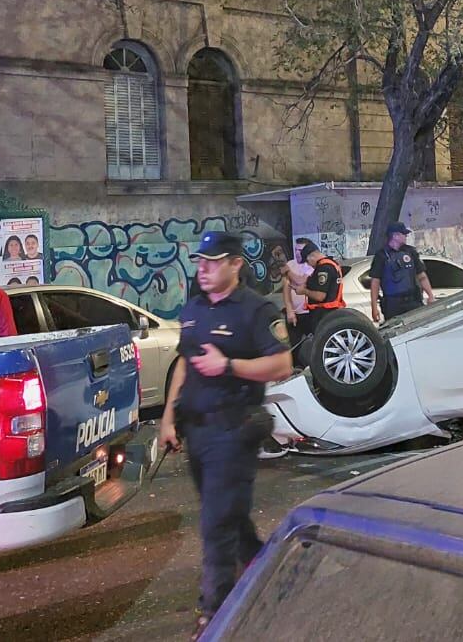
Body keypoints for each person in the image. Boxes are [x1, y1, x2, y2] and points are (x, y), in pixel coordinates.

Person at [157, 231, 293, 640]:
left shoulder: (255, 310)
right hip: (197, 430)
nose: (204, 268)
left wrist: (230, 366)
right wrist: (167, 418)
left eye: (213, 261)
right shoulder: (195, 308)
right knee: (229, 518)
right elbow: (185, 363)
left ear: (235, 264)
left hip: (235, 429)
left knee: (216, 525)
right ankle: (266, 569)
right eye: (200, 261)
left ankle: (214, 616)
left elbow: (283, 364)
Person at [288, 239, 345, 359]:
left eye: (308, 261)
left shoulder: (324, 268)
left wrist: (304, 292)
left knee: (323, 348)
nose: (309, 265)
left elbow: (320, 296)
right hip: (327, 314)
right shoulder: (331, 263)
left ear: (312, 256)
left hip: (323, 314)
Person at [368, 222, 434, 322]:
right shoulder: (381, 256)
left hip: (413, 301)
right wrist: (374, 306)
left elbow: (421, 276)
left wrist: (430, 295)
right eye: (403, 234)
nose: (406, 236)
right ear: (395, 236)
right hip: (392, 304)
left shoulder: (411, 252)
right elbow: (375, 282)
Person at [281, 239, 313, 335]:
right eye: (296, 250)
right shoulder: (290, 264)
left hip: (309, 312)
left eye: (300, 250)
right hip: (295, 312)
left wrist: (288, 272)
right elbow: (286, 289)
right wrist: (289, 309)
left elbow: (301, 281)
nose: (297, 253)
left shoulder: (311, 265)